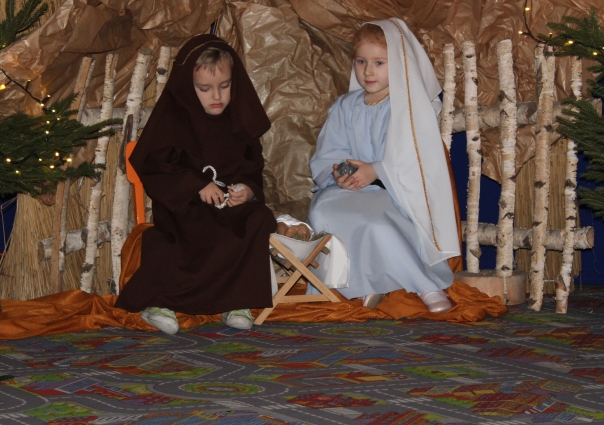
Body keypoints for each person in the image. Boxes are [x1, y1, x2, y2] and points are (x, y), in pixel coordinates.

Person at [115, 35, 276, 334]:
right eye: (205, 88)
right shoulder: (173, 120)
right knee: (185, 232)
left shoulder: (238, 119)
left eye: (225, 86)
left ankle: (236, 301)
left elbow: (252, 165)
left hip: (228, 205)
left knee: (258, 218)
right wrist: (196, 185)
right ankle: (162, 303)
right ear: (189, 87)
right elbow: (154, 163)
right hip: (184, 205)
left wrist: (247, 190)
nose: (216, 96)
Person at [308, 19, 461, 313]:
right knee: (322, 211)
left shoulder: (407, 108)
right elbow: (329, 151)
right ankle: (365, 283)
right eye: (361, 62)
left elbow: (417, 158)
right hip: (348, 191)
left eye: (379, 63)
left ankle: (425, 284)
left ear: (400, 64)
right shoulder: (345, 106)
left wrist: (377, 170)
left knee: (375, 220)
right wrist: (339, 173)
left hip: (393, 190)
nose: (368, 71)